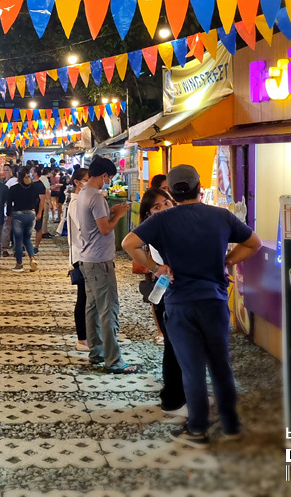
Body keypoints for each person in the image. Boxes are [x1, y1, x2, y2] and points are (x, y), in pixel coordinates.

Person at [123, 165, 262, 447]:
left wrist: (157, 267)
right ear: (200, 189)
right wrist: (228, 260)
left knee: (193, 369)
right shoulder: (220, 216)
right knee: (221, 366)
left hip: (181, 304)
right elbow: (254, 243)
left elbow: (129, 242)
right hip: (215, 300)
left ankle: (197, 430)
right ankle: (231, 425)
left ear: (172, 193)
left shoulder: (162, 221)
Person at [73, 156, 136, 374]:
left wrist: (111, 212)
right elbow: (105, 229)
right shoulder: (97, 197)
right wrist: (118, 214)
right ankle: (113, 360)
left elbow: (95, 222)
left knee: (92, 307)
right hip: (100, 260)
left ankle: (97, 352)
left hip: (87, 258)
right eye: (109, 177)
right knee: (108, 309)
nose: (108, 181)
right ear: (104, 175)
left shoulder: (83, 193)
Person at [135, 187, 186, 416]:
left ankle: (179, 395)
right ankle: (173, 399)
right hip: (169, 293)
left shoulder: (174, 226)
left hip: (178, 293)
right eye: (157, 207)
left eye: (167, 203)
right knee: (174, 346)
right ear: (148, 215)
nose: (164, 208)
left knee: (179, 346)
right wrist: (156, 268)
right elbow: (129, 244)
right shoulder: (156, 231)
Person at [66, 168, 90, 352]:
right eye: (87, 180)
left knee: (88, 297)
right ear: (77, 182)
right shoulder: (76, 203)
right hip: (81, 255)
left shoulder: (81, 201)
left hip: (84, 253)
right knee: (83, 297)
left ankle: (87, 336)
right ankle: (82, 339)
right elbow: (83, 230)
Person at [7, 166, 39, 272]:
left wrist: (8, 215)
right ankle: (32, 258)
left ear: (18, 176)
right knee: (28, 239)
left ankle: (19, 264)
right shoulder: (34, 187)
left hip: (18, 214)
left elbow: (9, 204)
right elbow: (37, 201)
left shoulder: (14, 188)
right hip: (31, 213)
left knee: (18, 240)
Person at [31, 166, 49, 252]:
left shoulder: (40, 185)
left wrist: (40, 212)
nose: (30, 173)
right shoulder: (29, 183)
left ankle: (36, 246)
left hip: (37, 208)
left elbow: (42, 200)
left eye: (32, 171)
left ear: (35, 173)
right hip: (30, 209)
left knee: (38, 228)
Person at [1, 163, 17, 257]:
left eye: (7, 170)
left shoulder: (13, 181)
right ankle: (5, 248)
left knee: (13, 229)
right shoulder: (4, 182)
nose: (6, 172)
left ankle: (15, 247)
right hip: (6, 208)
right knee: (6, 229)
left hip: (13, 207)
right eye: (4, 170)